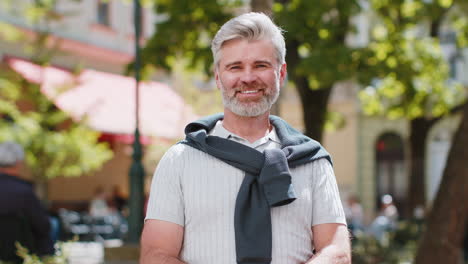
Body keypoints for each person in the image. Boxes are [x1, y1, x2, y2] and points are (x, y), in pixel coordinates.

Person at [141, 12, 350, 264]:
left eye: (261, 66)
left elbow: (336, 252)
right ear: (218, 77)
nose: (248, 77)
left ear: (281, 74)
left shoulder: (313, 161)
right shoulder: (180, 161)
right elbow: (157, 255)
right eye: (235, 67)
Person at [0, 141, 54, 263]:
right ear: (19, 163)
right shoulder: (24, 192)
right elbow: (43, 226)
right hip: (21, 252)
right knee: (53, 225)